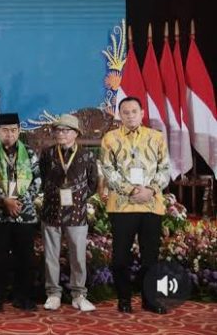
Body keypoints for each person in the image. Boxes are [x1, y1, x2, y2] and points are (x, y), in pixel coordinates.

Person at [100, 96, 170, 314]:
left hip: (151, 205)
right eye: (125, 112)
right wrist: (131, 190)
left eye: (134, 112)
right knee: (120, 258)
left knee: (150, 258)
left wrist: (151, 190)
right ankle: (124, 299)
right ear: (120, 115)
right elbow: (108, 170)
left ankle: (150, 300)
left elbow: (165, 169)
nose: (130, 116)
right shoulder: (110, 138)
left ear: (142, 113)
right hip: (122, 206)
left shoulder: (156, 137)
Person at [0, 112, 41, 312]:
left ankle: (22, 297)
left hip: (24, 214)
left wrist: (20, 201)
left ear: (19, 130)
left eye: (13, 130)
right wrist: (5, 200)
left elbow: (37, 180)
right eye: (5, 130)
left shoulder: (29, 152)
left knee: (25, 258)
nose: (9, 134)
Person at [39, 114, 98, 312]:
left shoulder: (87, 155)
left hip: (77, 213)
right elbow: (43, 178)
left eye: (66, 130)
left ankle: (78, 295)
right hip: (52, 211)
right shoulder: (47, 154)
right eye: (58, 130)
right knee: (51, 256)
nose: (61, 134)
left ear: (76, 133)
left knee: (78, 256)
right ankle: (53, 294)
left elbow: (93, 183)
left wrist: (78, 197)